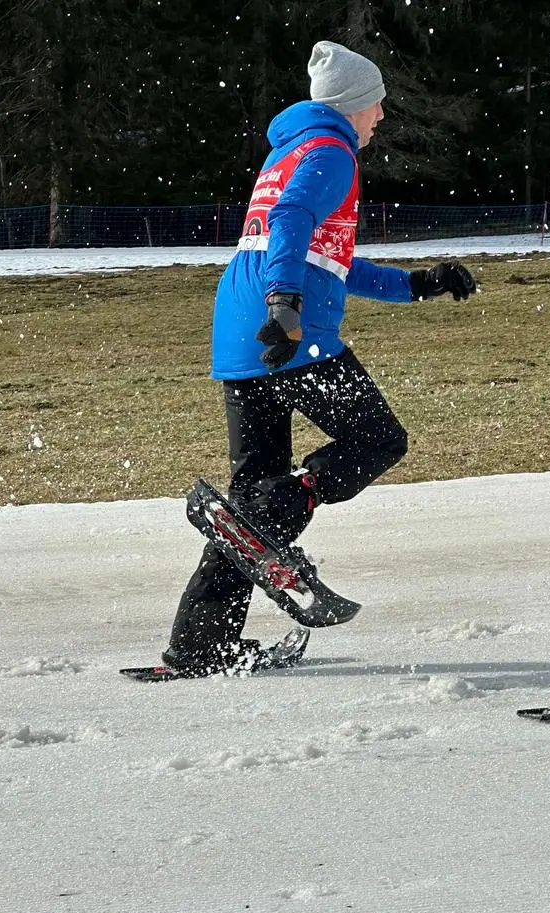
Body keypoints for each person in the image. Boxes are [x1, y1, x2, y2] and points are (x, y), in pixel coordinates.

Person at [162, 40, 476, 676]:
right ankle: (290, 498)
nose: (382, 115)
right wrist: (285, 303)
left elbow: (326, 257)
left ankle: (198, 647)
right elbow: (292, 219)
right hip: (288, 332)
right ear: (353, 105)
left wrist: (414, 283)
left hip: (239, 330)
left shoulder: (290, 150)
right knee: (378, 439)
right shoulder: (332, 153)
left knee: (246, 515)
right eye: (376, 104)